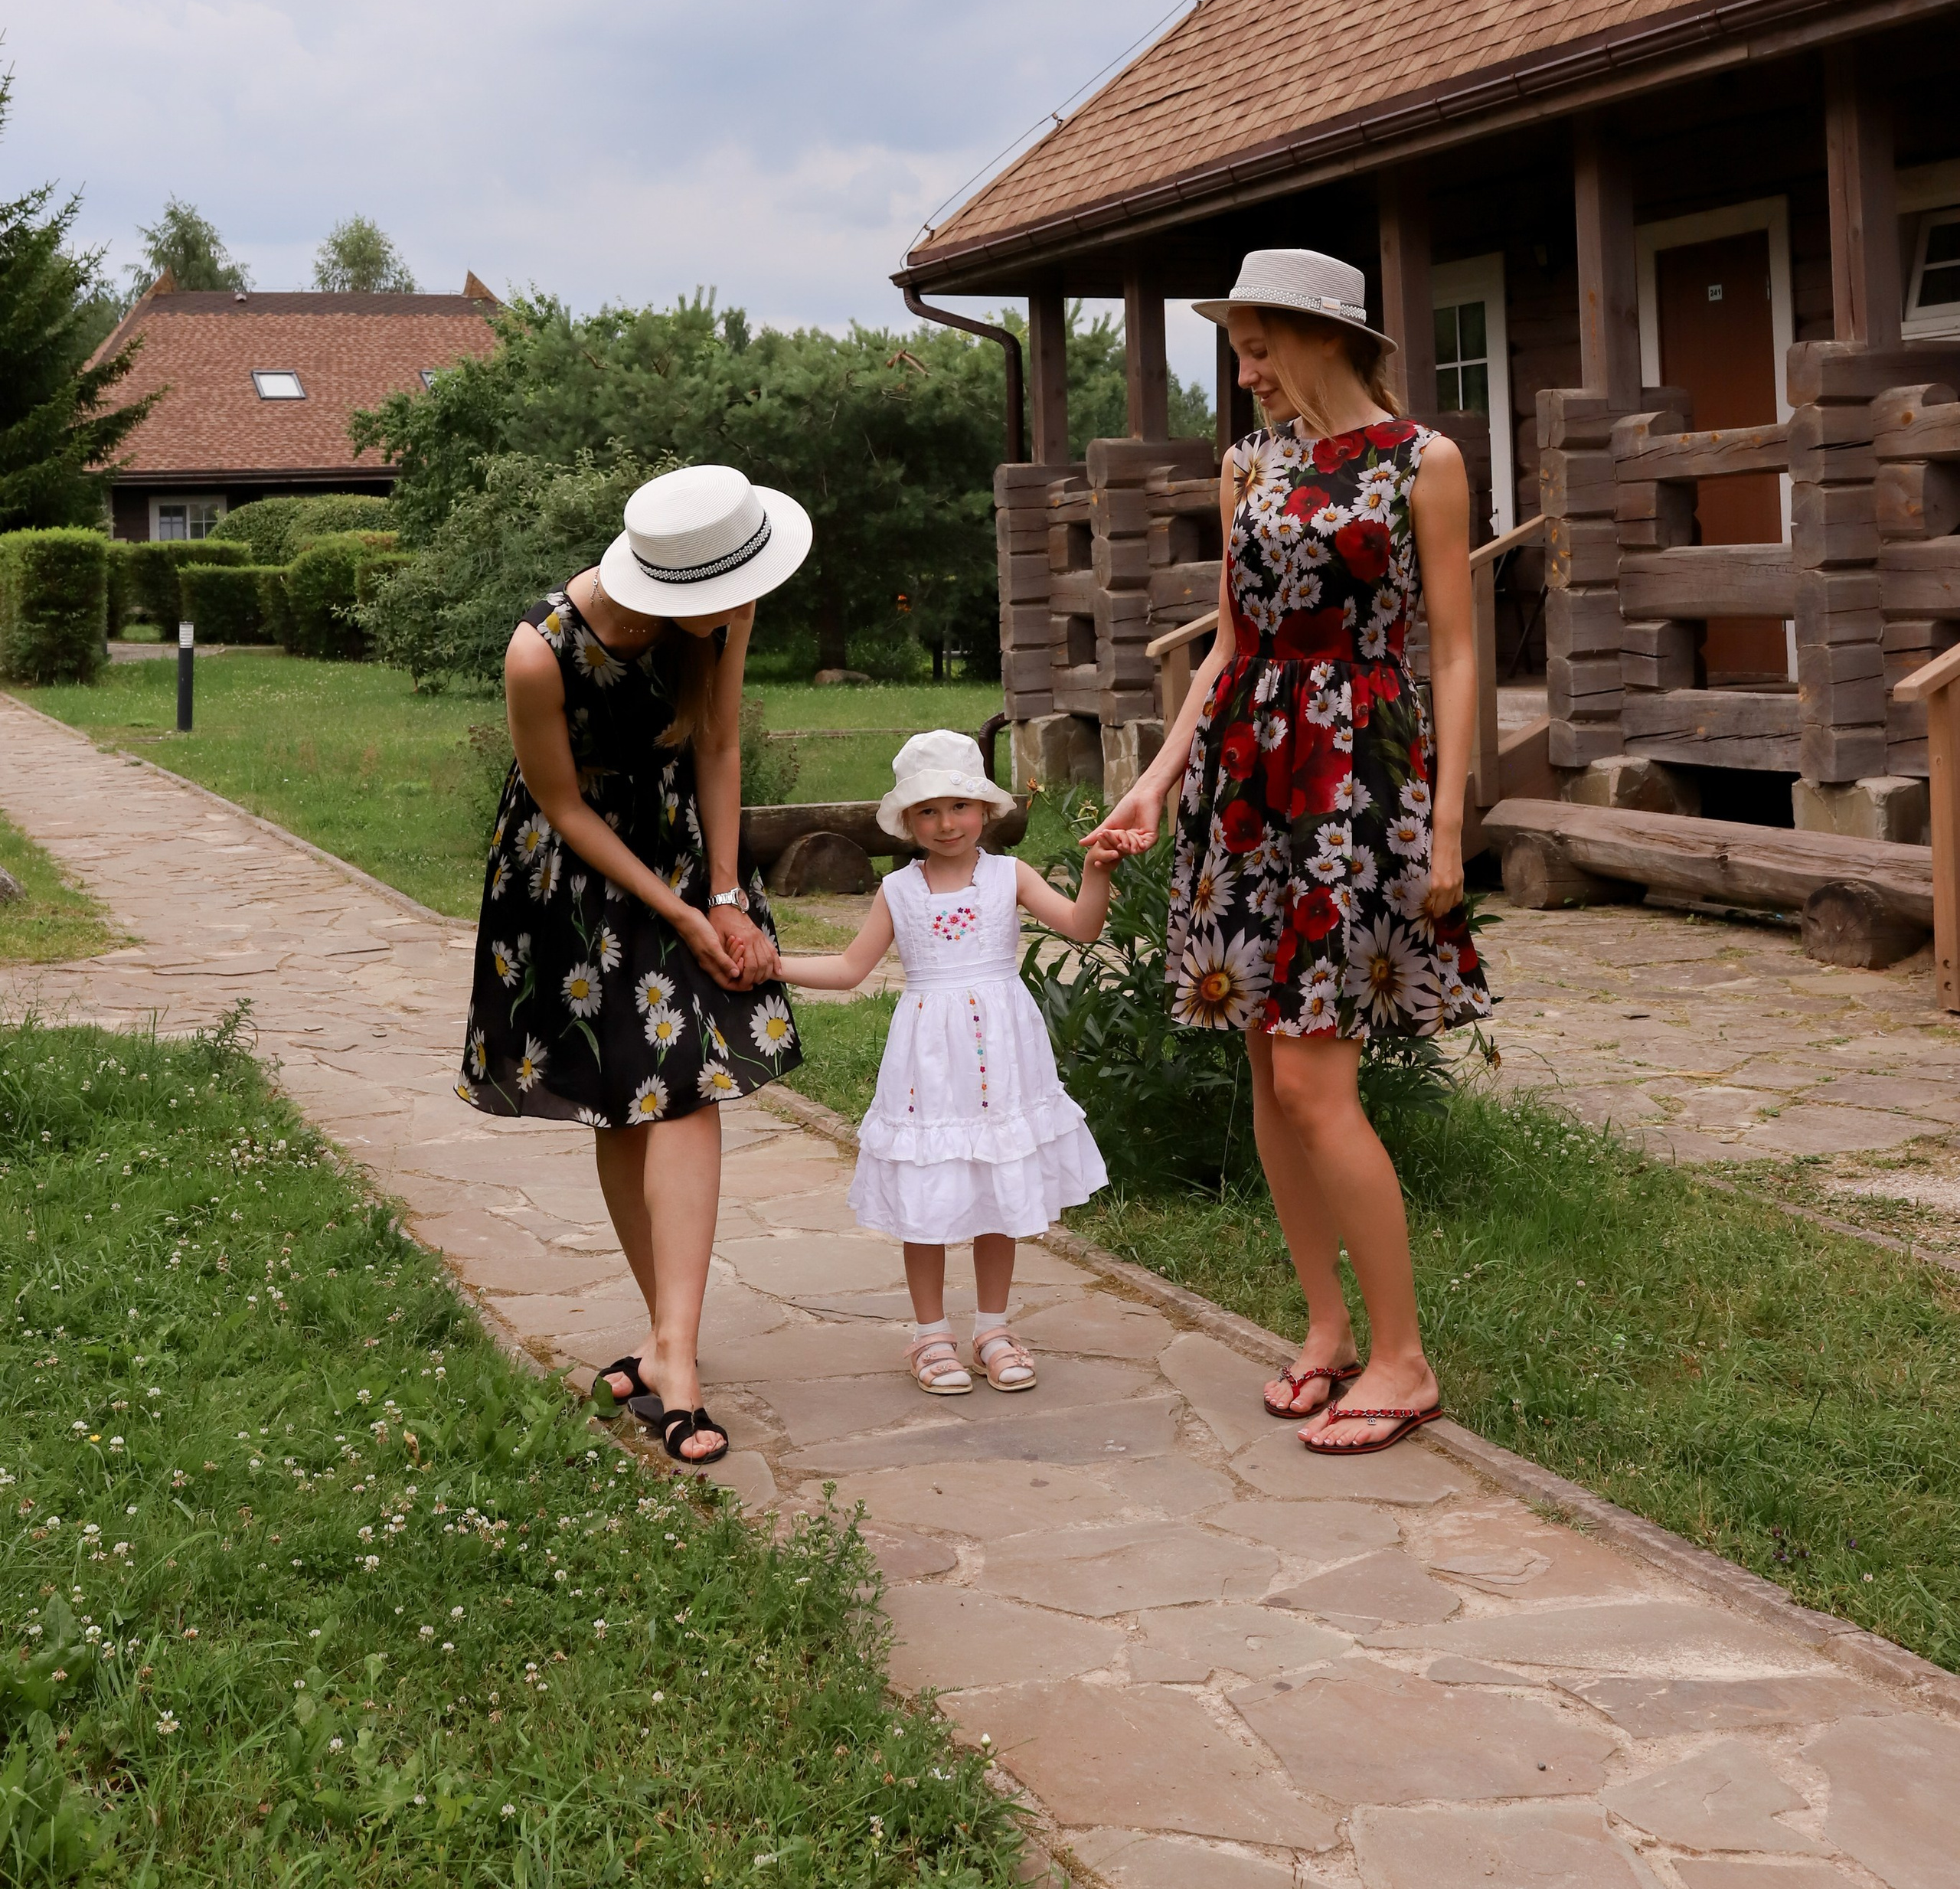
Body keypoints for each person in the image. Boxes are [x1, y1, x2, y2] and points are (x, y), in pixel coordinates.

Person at [1088, 248, 1492, 1456]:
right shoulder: (1246, 468)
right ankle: (1326, 1329)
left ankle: (1405, 1359)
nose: (1248, 372)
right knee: (1269, 1074)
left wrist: (1450, 819)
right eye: (1241, 352)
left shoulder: (1423, 461)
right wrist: (1154, 788)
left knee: (1320, 1083)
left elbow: (1458, 651)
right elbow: (1226, 647)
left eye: (1262, 347)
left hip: (1354, 783)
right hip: (1247, 788)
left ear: (1325, 337)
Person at [457, 462, 812, 1467]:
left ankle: (676, 1360)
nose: (738, 610)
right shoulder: (541, 653)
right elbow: (562, 808)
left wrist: (727, 894)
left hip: (685, 850)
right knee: (626, 1101)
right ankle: (669, 1345)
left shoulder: (723, 608)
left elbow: (718, 742)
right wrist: (676, 911)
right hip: (572, 876)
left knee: (686, 1087)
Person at [774, 729, 1111, 1396]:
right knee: (927, 1192)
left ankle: (993, 1327)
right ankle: (931, 1334)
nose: (946, 822)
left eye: (959, 806)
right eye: (927, 811)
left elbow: (1081, 926)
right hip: (929, 1061)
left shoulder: (1009, 876)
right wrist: (772, 965)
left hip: (1005, 1056)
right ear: (906, 821)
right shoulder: (899, 892)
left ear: (985, 810)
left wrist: (1098, 869)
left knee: (997, 1191)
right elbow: (849, 968)